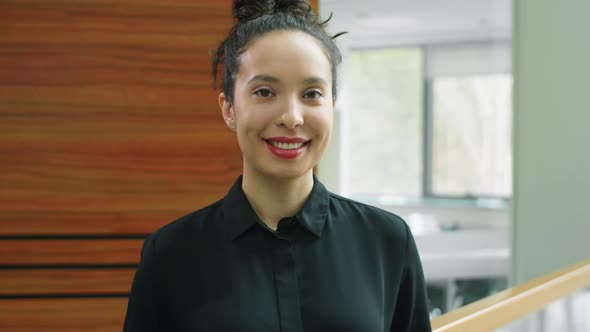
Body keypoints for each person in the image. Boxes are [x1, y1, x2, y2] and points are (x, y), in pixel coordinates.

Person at [123, 0, 432, 331]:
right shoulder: (171, 254)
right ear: (229, 108)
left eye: (312, 93)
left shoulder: (387, 241)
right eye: (265, 92)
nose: (291, 117)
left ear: (332, 105)